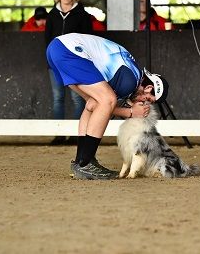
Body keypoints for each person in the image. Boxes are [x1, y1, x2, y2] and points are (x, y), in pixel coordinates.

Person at [46, 32, 169, 180]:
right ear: (148, 88)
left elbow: (93, 106)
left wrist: (126, 110)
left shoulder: (132, 72)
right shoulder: (131, 81)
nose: (142, 102)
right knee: (107, 99)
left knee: (95, 102)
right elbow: (107, 103)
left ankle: (81, 161)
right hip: (69, 50)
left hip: (58, 47)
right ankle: (85, 164)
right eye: (147, 99)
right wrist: (130, 112)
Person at [45, 0, 93, 144]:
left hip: (75, 64)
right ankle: (59, 134)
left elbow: (88, 40)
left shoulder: (82, 15)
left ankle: (76, 134)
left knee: (77, 98)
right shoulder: (51, 15)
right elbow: (47, 41)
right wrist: (50, 61)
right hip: (56, 64)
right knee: (58, 98)